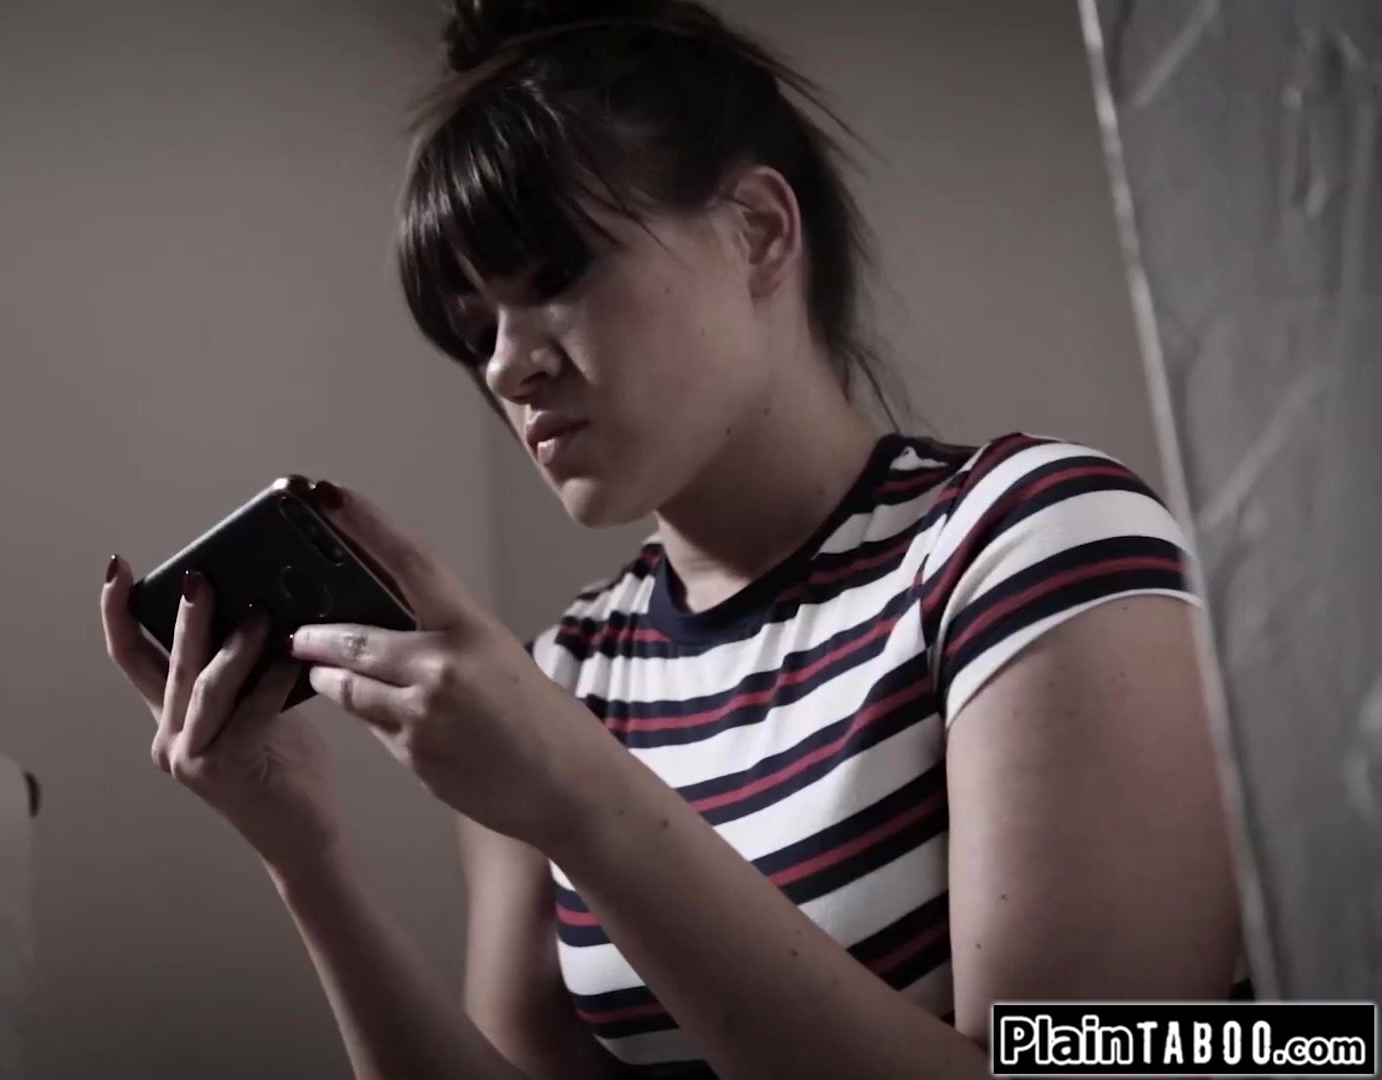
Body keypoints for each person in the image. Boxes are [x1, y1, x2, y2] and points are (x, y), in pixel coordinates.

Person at [99, 1, 1245, 1076]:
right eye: (474, 329)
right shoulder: (564, 675)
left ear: (757, 231)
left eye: (556, 277)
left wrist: (580, 796)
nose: (507, 365)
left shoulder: (1032, 542)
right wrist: (302, 856)